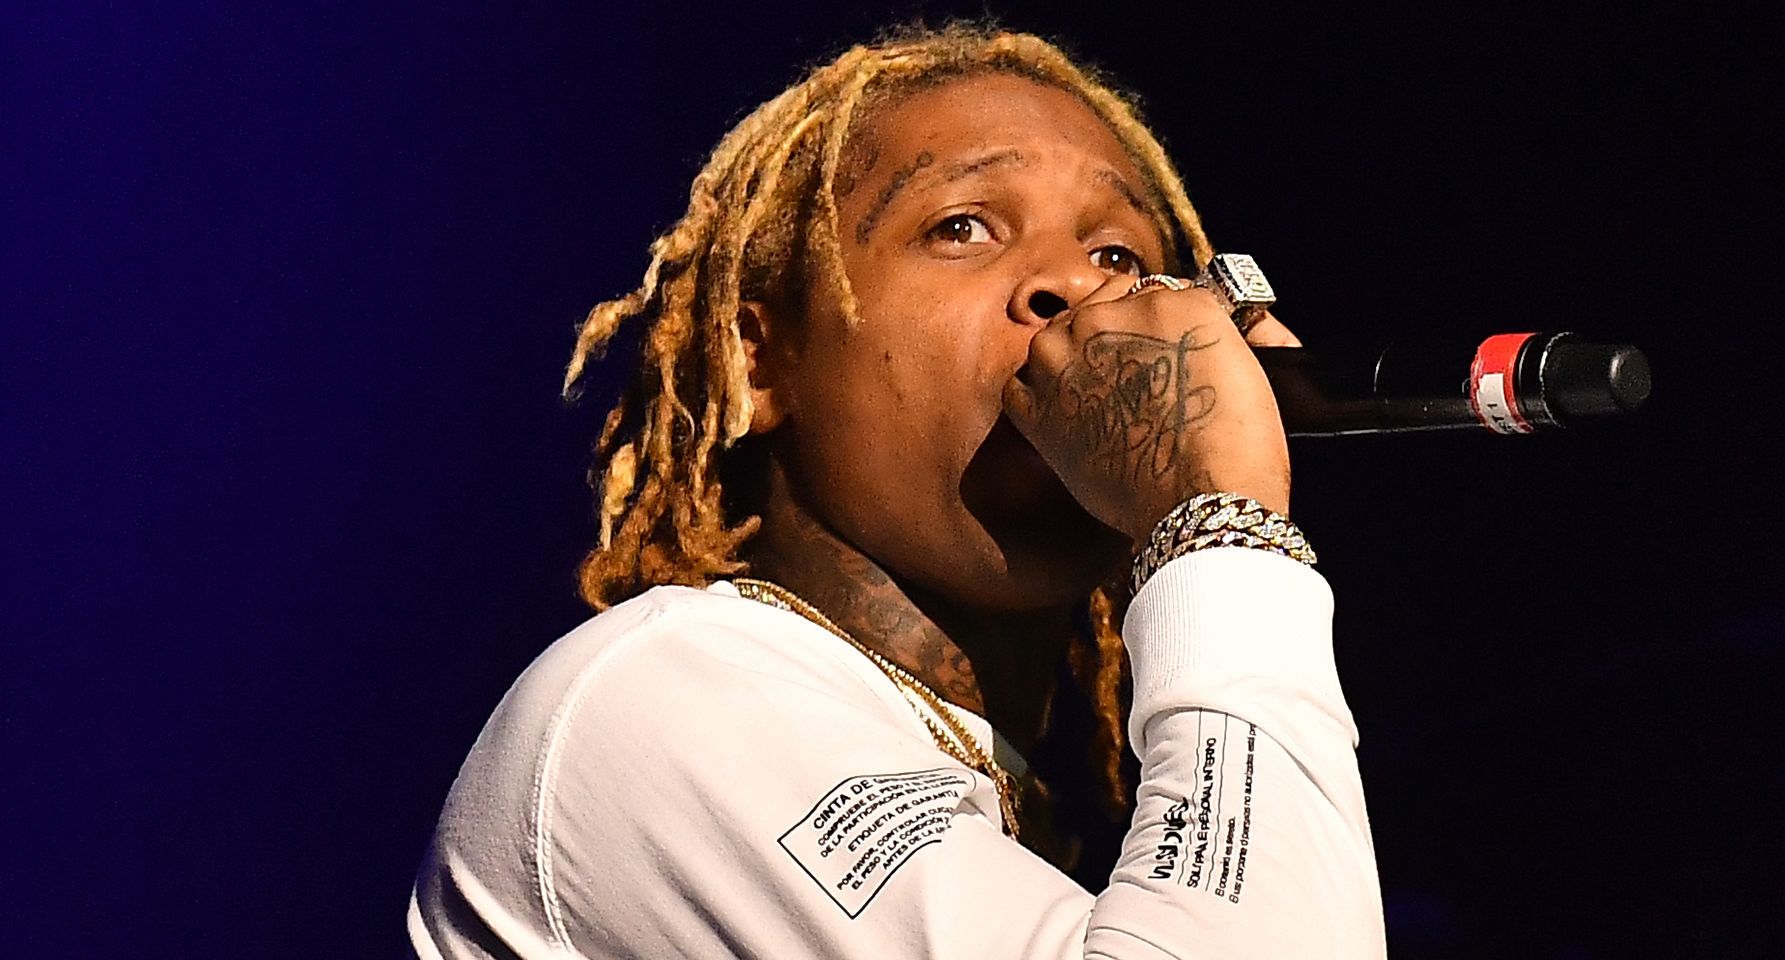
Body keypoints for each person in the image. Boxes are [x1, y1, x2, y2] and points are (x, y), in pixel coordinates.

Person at [409, 24, 1385, 959]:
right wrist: (1217, 520)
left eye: (1118, 257)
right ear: (757, 361)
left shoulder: (974, 780)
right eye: (962, 227)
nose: (1073, 287)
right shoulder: (660, 693)